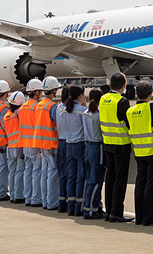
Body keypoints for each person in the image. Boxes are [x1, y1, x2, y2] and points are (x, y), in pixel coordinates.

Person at [126, 81, 153, 226]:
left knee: (140, 182)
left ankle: (139, 215)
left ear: (136, 94)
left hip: (138, 150)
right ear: (150, 95)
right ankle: (148, 215)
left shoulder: (130, 111)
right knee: (151, 184)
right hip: (152, 150)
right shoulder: (150, 108)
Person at [100, 73, 134, 222]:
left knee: (110, 178)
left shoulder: (103, 98)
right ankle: (116, 211)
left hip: (107, 142)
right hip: (121, 144)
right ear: (123, 85)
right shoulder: (122, 101)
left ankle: (109, 211)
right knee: (120, 180)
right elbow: (128, 122)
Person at [56, 85, 91, 216]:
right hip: (80, 145)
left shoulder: (63, 109)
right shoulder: (82, 110)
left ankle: (69, 206)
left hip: (68, 144)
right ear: (80, 95)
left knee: (70, 177)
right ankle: (78, 206)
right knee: (81, 177)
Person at [35, 76, 61, 210]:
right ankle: (51, 202)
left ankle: (46, 201)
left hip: (41, 143)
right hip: (51, 144)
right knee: (52, 174)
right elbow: (58, 124)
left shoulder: (39, 104)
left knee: (45, 173)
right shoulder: (52, 106)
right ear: (54, 90)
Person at [83, 88, 106, 220]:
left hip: (88, 146)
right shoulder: (98, 115)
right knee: (96, 180)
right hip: (98, 147)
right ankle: (90, 208)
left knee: (90, 179)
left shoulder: (86, 112)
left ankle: (95, 205)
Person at [19, 79, 43, 207]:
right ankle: (36, 198)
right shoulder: (36, 107)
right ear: (37, 92)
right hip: (34, 144)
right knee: (37, 171)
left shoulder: (23, 106)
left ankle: (28, 197)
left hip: (25, 143)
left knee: (28, 171)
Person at [4, 91, 27, 204]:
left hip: (10, 146)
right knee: (20, 171)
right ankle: (18, 196)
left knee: (12, 171)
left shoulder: (6, 116)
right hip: (18, 146)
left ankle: (12, 194)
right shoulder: (19, 113)